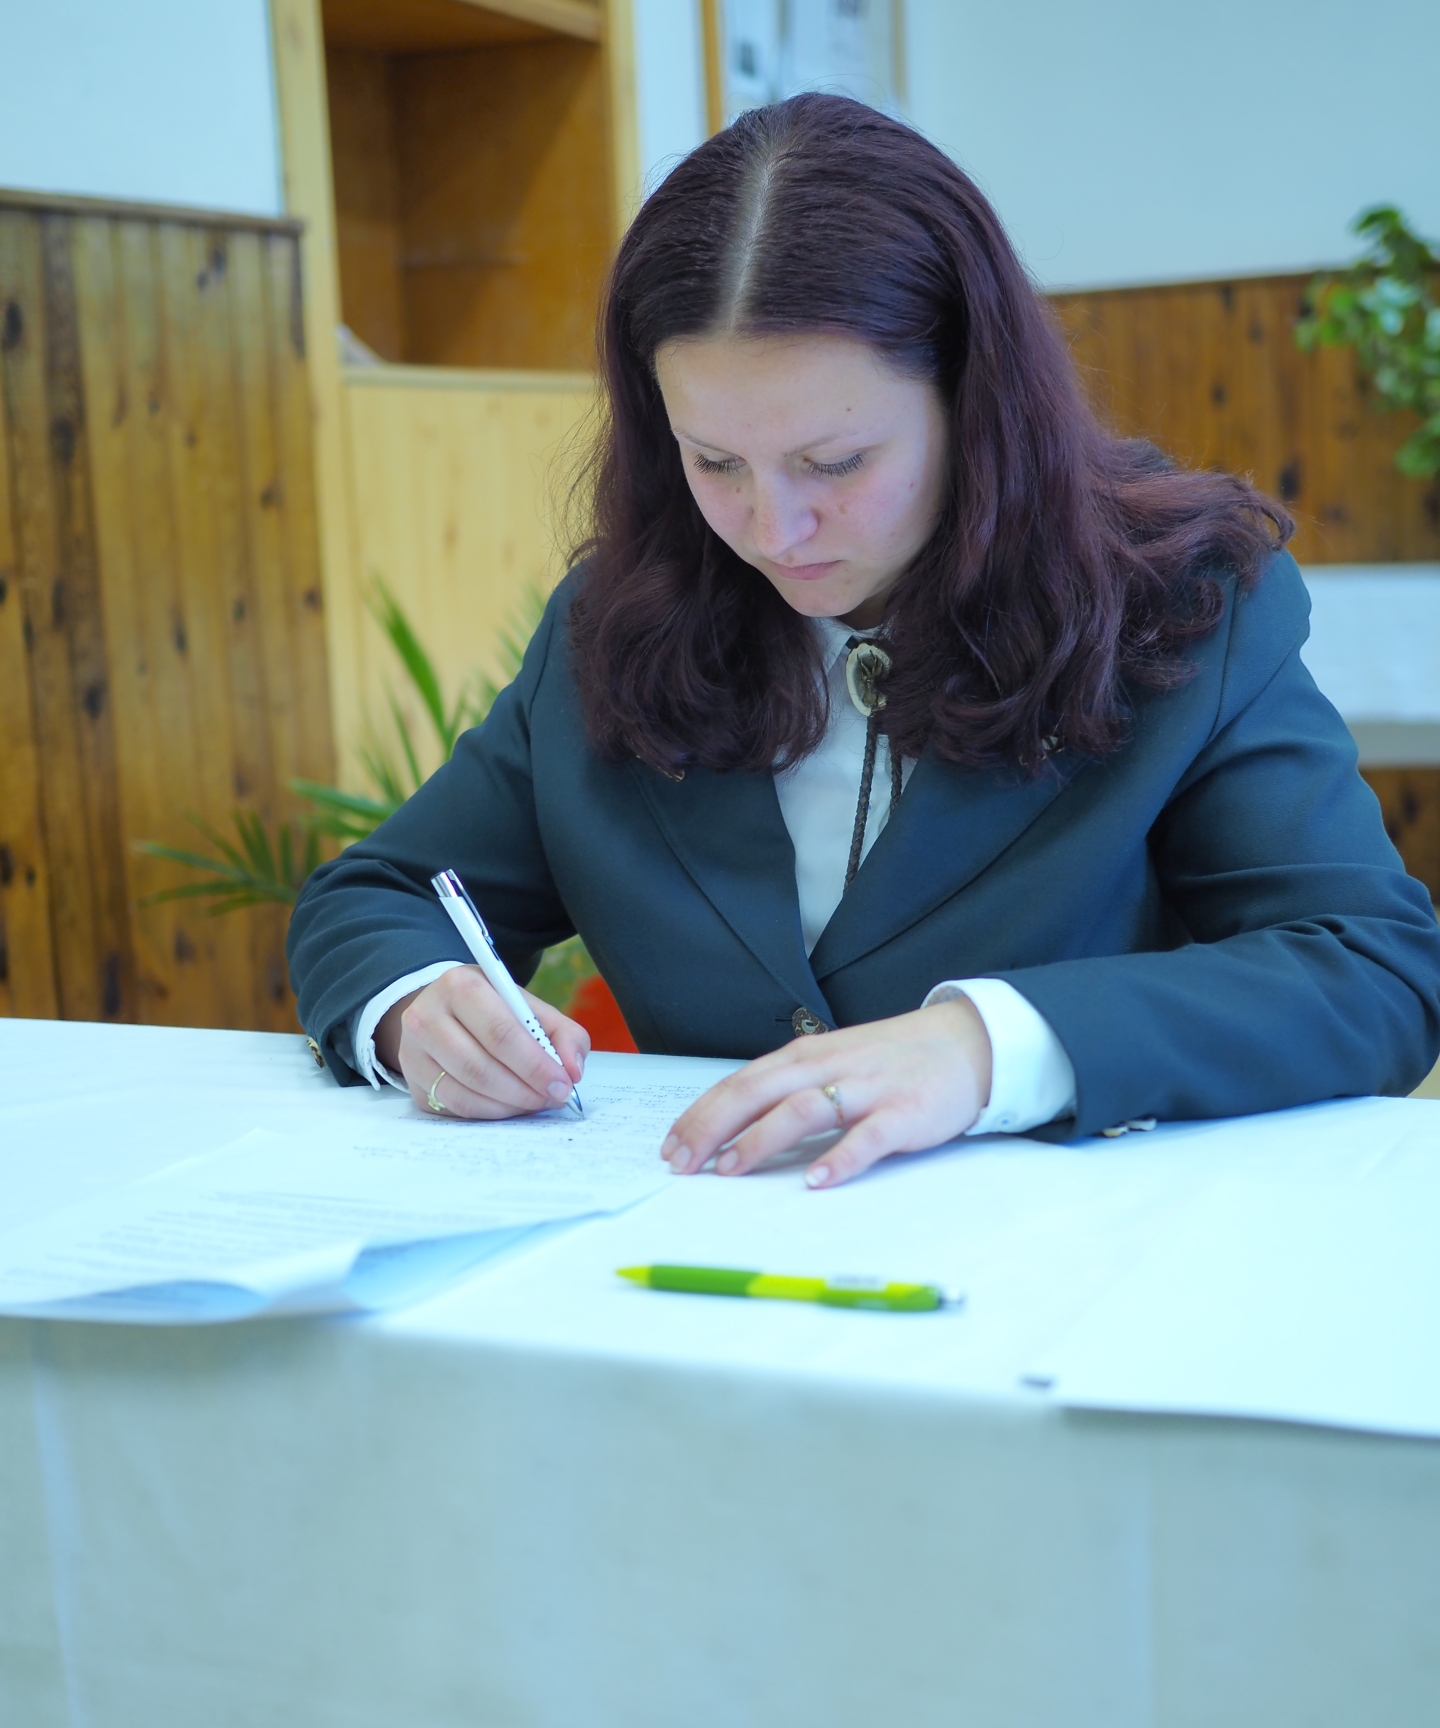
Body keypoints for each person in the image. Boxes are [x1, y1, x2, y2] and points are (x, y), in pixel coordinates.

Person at [288, 93, 1440, 1191]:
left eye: (835, 463)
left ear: (975, 406)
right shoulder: (615, 624)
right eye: (714, 462)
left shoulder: (1179, 604)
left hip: (1068, 1270)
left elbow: (1371, 967)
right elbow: (379, 895)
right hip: (697, 1268)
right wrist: (416, 1005)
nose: (772, 530)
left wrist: (987, 1047)